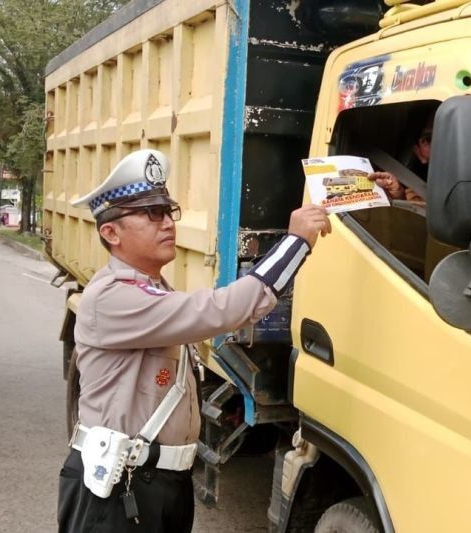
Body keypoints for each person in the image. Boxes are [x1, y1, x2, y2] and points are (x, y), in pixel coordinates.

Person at [57, 149, 331, 532]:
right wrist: (295, 242)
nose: (167, 223)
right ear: (111, 233)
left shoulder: (153, 288)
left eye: (169, 212)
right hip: (119, 490)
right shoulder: (111, 297)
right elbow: (221, 310)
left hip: (161, 484)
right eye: (151, 214)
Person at [368, 113, 433, 204]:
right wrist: (400, 198)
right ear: (418, 151)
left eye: (446, 133)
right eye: (428, 139)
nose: (440, 141)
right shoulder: (417, 192)